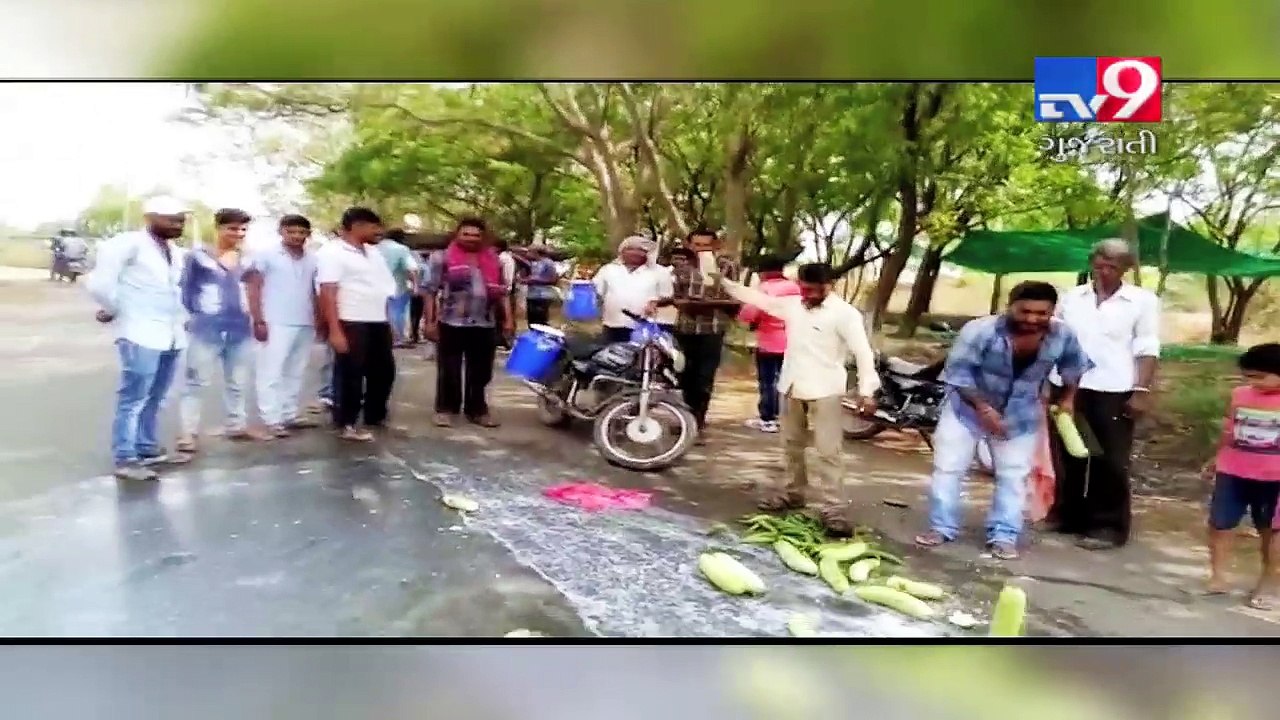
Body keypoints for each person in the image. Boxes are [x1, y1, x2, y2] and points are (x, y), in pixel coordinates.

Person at [914, 282, 1092, 560]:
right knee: (949, 469)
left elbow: (1074, 367)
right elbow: (959, 374)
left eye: (1041, 313)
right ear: (1010, 306)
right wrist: (984, 410)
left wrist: (1068, 398)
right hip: (966, 410)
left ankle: (1004, 535)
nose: (1032, 319)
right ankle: (941, 527)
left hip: (1020, 414)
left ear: (1052, 311)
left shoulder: (1062, 335)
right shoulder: (979, 330)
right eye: (1025, 311)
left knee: (1013, 477)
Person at [713, 263, 879, 535]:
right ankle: (793, 494)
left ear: (829, 286)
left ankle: (833, 509)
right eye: (804, 289)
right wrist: (724, 282)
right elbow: (759, 300)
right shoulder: (792, 305)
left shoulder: (845, 314)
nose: (808, 295)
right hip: (791, 384)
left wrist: (867, 391)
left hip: (825, 388)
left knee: (828, 451)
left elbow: (863, 352)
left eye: (814, 290)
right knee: (791, 444)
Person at [1048, 238, 1161, 550]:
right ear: (1091, 263)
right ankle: (1068, 516)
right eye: (1100, 264)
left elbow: (1147, 346)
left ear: (1126, 267)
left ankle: (1108, 526)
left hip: (1113, 388)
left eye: (1113, 266)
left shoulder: (1142, 301)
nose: (1105, 271)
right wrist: (1046, 381)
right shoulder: (1073, 298)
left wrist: (1141, 390)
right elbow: (1056, 339)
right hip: (1068, 384)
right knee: (1068, 454)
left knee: (1109, 459)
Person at [86, 196, 191, 481]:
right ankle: (125, 458)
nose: (177, 224)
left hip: (171, 333)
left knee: (156, 395)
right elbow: (100, 283)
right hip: (139, 331)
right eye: (171, 219)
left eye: (181, 219)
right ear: (150, 218)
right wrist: (114, 309)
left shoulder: (176, 252)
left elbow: (177, 290)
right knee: (133, 398)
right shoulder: (127, 244)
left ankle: (146, 448)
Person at [1198, 343, 1280, 609]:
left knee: (1270, 530)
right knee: (1220, 523)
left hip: (1274, 478)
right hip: (1233, 471)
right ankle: (1218, 576)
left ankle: (1267, 583)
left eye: (1259, 376)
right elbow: (1230, 429)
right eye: (1248, 376)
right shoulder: (1241, 394)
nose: (1252, 382)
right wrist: (1216, 458)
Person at [176, 208, 263, 451]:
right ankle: (188, 433)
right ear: (219, 228)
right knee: (196, 382)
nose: (238, 233)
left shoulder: (248, 258)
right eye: (233, 228)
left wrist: (258, 320)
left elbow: (254, 290)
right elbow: (185, 290)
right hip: (207, 328)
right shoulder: (198, 257)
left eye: (243, 229)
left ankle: (237, 425)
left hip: (239, 328)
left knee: (237, 381)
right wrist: (192, 315)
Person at [420, 217, 513, 428]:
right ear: (457, 235)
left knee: (481, 371)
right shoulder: (441, 258)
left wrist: (508, 319)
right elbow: (429, 291)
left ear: (483, 237)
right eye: (466, 234)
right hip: (451, 321)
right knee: (449, 369)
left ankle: (477, 410)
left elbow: (503, 292)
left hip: (484, 322)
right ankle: (446, 409)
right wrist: (430, 322)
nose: (471, 239)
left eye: (476, 235)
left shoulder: (493, 260)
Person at [316, 207, 398, 442]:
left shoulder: (373, 253)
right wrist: (334, 329)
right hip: (350, 319)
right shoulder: (332, 252)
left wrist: (387, 320)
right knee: (351, 372)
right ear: (358, 226)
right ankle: (347, 423)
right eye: (374, 226)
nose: (378, 231)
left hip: (376, 320)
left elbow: (382, 288)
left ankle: (374, 416)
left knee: (384, 371)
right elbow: (327, 291)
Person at [245, 214, 322, 438]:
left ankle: (289, 414)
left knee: (295, 370)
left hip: (304, 319)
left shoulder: (313, 258)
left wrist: (318, 318)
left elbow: (314, 291)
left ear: (308, 234)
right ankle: (271, 418)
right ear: (281, 232)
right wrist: (258, 319)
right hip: (274, 320)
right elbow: (253, 287)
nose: (297, 236)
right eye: (291, 232)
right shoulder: (266, 256)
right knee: (271, 370)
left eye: (301, 232)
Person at [666, 228, 741, 436]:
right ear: (689, 245)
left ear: (716, 245)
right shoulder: (680, 267)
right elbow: (675, 296)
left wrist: (711, 303)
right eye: (697, 245)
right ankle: (686, 417)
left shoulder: (727, 266)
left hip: (713, 329)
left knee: (704, 377)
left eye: (706, 245)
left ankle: (697, 420)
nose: (701, 250)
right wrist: (685, 303)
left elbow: (734, 297)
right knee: (684, 375)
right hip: (685, 328)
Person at [738, 254, 800, 434]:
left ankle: (768, 419)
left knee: (768, 381)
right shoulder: (796, 288)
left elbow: (749, 314)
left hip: (769, 342)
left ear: (763, 272)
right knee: (789, 381)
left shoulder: (764, 289)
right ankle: (788, 418)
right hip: (793, 341)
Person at [592, 236, 673, 344]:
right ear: (622, 251)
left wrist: (654, 303)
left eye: (641, 250)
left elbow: (668, 296)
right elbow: (596, 292)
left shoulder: (660, 272)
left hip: (646, 327)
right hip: (613, 325)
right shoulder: (608, 269)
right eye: (630, 249)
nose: (635, 253)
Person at [377, 228, 420, 348]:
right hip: (397, 286)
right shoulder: (401, 249)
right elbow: (412, 268)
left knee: (382, 312)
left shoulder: (375, 248)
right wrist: (415, 285)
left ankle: (384, 337)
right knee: (398, 312)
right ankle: (397, 338)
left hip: (376, 287)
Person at [523, 243, 560, 328]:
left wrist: (535, 280)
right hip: (531, 295)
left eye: (530, 251)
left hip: (542, 295)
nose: (527, 253)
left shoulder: (548, 263)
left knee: (540, 320)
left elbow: (553, 280)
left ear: (536, 252)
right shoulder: (532, 263)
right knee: (531, 321)